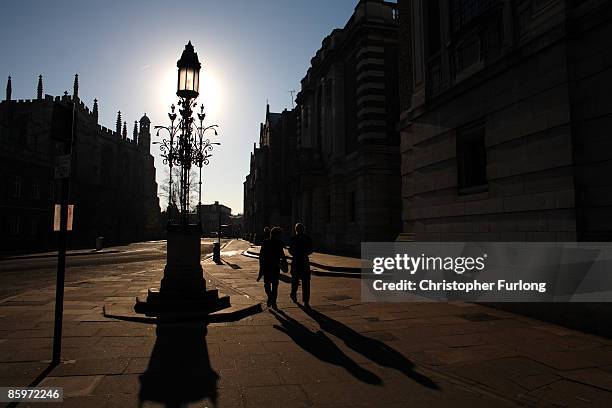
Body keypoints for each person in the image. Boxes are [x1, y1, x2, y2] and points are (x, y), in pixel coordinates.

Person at [257, 227, 287, 309]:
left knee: (268, 285)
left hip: (268, 266)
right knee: (274, 286)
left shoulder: (266, 242)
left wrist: (261, 268)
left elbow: (261, 256)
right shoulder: (274, 242)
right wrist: (284, 262)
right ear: (276, 234)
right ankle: (272, 299)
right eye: (280, 234)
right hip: (273, 266)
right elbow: (282, 255)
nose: (281, 236)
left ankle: (272, 299)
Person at [289, 223, 313, 308]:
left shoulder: (293, 239)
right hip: (304, 261)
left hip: (296, 261)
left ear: (296, 230)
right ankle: (306, 301)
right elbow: (311, 249)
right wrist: (305, 253)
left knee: (295, 281)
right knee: (306, 282)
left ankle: (293, 294)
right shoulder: (307, 238)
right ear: (303, 229)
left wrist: (296, 254)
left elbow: (290, 251)